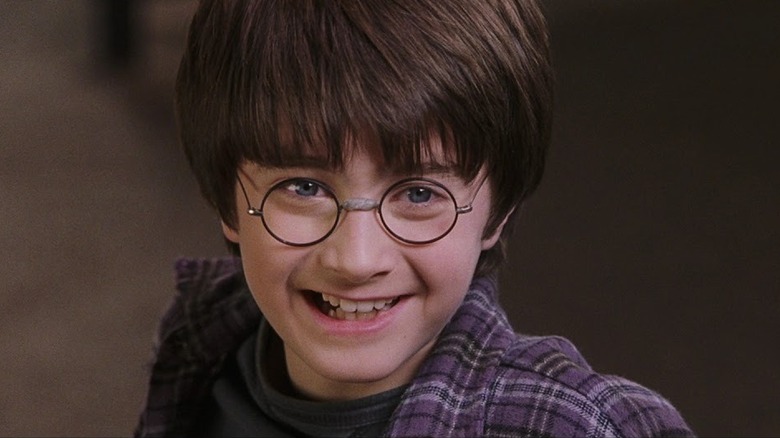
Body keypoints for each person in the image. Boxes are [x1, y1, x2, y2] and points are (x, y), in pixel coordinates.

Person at [135, 0, 694, 436]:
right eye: (303, 188)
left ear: (497, 214)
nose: (356, 260)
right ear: (226, 202)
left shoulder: (579, 426)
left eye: (420, 194)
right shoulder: (199, 339)